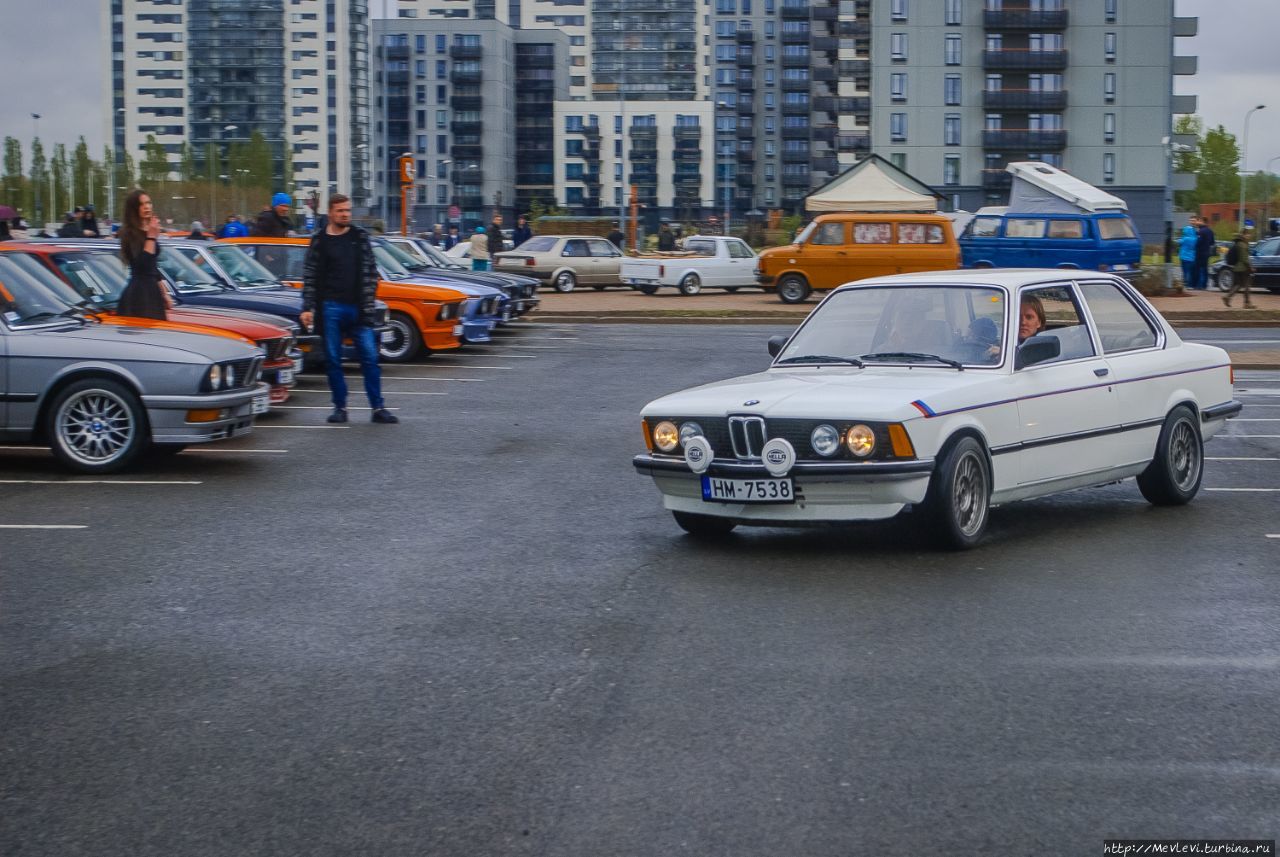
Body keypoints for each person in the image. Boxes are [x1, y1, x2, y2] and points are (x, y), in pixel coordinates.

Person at [299, 194, 398, 425]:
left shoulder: (359, 237)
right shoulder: (320, 240)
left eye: (348, 210)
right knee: (333, 359)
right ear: (330, 214)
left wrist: (369, 298)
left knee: (370, 358)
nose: (345, 214)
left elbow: (371, 270)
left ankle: (378, 407)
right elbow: (310, 275)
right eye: (341, 211)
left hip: (359, 308)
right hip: (331, 307)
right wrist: (308, 307)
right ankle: (340, 407)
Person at [116, 189, 168, 321]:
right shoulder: (128, 233)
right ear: (134, 209)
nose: (147, 207)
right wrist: (151, 237)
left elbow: (152, 266)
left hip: (152, 291)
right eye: (142, 204)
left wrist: (165, 294)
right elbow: (141, 265)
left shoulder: (150, 230)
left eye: (148, 203)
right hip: (139, 293)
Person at [1222, 232, 1256, 309]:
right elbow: (1244, 259)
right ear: (1243, 235)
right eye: (1247, 234)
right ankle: (1247, 303)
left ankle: (1227, 297)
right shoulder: (1243, 245)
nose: (1249, 236)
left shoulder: (1237, 244)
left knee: (1238, 284)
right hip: (1243, 268)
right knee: (1247, 285)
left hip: (1236, 268)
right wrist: (1250, 268)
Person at [1194, 215, 1216, 291]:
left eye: (1199, 221)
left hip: (1200, 252)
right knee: (1205, 269)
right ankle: (1204, 285)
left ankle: (1199, 285)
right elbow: (1212, 242)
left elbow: (1198, 242)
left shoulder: (1201, 231)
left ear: (1203, 222)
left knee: (1198, 269)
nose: (1198, 222)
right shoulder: (1210, 231)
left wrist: (1196, 245)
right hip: (1207, 252)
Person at [1178, 222, 1198, 290]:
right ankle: (1190, 285)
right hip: (1192, 257)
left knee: (1184, 271)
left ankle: (1185, 284)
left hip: (1184, 257)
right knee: (1190, 271)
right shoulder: (1195, 238)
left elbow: (1179, 242)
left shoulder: (1185, 238)